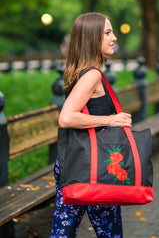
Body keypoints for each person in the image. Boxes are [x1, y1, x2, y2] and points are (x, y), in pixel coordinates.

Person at [50, 12, 132, 238]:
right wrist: (110, 119)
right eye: (107, 33)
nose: (114, 37)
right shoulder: (92, 75)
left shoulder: (80, 71)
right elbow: (66, 118)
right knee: (110, 232)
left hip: (75, 162)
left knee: (64, 230)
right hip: (93, 166)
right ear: (91, 38)